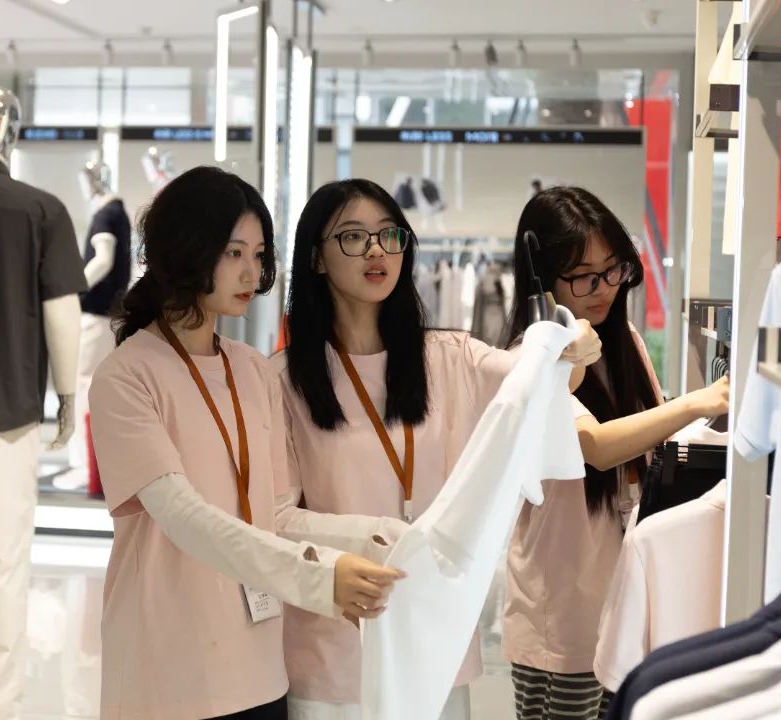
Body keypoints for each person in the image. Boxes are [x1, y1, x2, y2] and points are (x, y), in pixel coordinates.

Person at [273, 178, 603, 720]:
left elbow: (540, 381)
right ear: (315, 258)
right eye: (353, 237)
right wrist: (382, 537)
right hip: (334, 645)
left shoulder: (448, 356)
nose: (377, 251)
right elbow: (276, 517)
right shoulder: (283, 381)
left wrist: (569, 344)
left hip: (436, 637)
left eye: (389, 235)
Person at [88, 167, 404, 720]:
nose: (251, 272)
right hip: (165, 670)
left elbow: (274, 515)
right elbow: (184, 517)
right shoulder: (127, 376)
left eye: (258, 255)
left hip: (260, 670)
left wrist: (385, 537)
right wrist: (318, 578)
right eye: (234, 252)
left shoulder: (254, 370)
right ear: (188, 249)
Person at [500, 186, 730, 720]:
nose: (603, 288)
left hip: (627, 602)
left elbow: (644, 443)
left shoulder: (623, 340)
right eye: (584, 276)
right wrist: (699, 401)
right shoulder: (528, 362)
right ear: (542, 280)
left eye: (613, 270)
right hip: (563, 618)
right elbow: (594, 447)